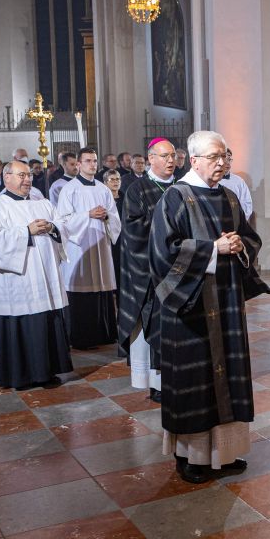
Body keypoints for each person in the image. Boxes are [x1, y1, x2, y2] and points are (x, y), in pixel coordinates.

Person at [149, 130, 270, 484]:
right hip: (190, 308)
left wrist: (239, 244)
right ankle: (191, 457)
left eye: (225, 156)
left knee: (226, 377)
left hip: (226, 302)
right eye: (215, 157)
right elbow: (161, 253)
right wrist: (212, 249)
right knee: (196, 380)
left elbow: (250, 238)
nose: (222, 163)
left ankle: (223, 453)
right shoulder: (174, 198)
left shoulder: (230, 198)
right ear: (195, 159)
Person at [0, 160, 72, 389]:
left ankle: (47, 371)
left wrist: (52, 228)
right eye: (21, 175)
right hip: (18, 280)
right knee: (22, 321)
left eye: (29, 175)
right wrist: (26, 231)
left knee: (46, 320)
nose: (27, 179)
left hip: (45, 277)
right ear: (6, 177)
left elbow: (63, 226)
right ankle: (20, 375)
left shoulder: (43, 204)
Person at [119, 138, 177, 403]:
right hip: (152, 271)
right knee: (156, 325)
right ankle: (158, 383)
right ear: (150, 158)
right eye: (164, 156)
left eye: (173, 155)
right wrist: (166, 232)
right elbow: (132, 229)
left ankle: (180, 377)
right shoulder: (137, 189)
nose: (170, 160)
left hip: (183, 268)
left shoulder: (183, 187)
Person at [56, 148, 121, 349]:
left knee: (102, 288)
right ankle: (81, 338)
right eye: (87, 161)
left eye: (94, 161)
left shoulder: (103, 189)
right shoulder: (70, 189)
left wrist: (107, 217)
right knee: (82, 289)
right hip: (79, 247)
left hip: (100, 244)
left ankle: (104, 334)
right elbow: (63, 220)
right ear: (79, 164)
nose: (92, 164)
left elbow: (115, 217)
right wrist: (87, 215)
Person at [104, 170, 124, 298]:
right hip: (108, 240)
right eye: (112, 179)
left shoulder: (126, 197)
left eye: (118, 179)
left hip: (124, 240)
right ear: (105, 183)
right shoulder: (102, 199)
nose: (116, 182)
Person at [218, 149, 253, 220]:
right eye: (225, 159)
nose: (227, 163)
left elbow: (247, 204)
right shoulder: (210, 180)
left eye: (229, 159)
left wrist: (238, 222)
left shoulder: (239, 181)